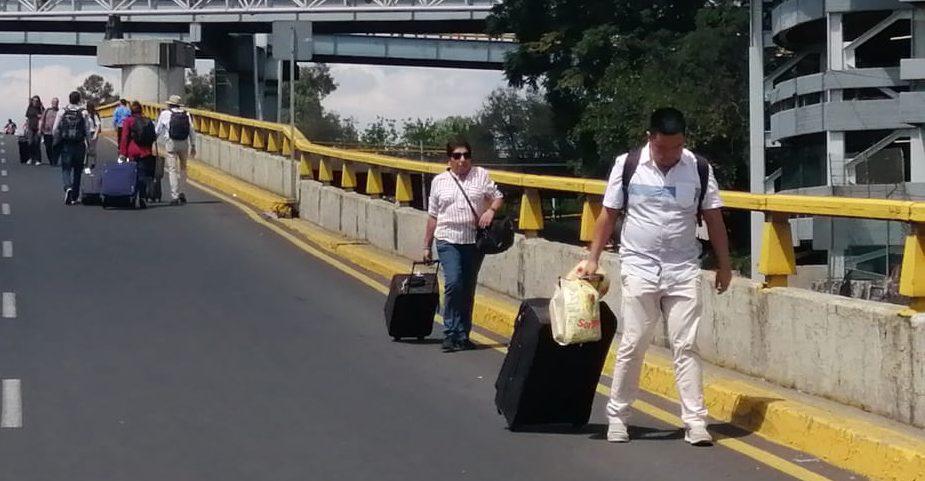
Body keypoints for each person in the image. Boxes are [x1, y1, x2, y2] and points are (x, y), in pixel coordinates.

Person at [581, 108, 731, 446]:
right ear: (650, 138)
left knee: (686, 345)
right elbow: (608, 215)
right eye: (663, 148)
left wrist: (724, 264)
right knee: (633, 343)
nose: (669, 155)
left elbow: (714, 218)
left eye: (676, 148)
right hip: (639, 266)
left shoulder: (699, 168)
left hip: (683, 268)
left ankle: (695, 421)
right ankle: (618, 417)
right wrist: (593, 258)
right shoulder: (628, 165)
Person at [422, 139, 503, 352]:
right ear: (449, 159)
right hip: (448, 239)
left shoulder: (481, 175)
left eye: (466, 155)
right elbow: (433, 216)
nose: (462, 160)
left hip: (473, 241)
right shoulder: (439, 181)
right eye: (457, 156)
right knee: (454, 283)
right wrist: (426, 246)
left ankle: (463, 334)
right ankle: (449, 332)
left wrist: (490, 211)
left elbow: (497, 197)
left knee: (467, 288)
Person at [154, 94, 197, 206]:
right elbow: (191, 130)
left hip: (171, 143)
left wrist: (153, 140)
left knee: (172, 170)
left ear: (169, 104)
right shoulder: (186, 114)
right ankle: (182, 192)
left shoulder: (165, 114)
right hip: (184, 143)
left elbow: (157, 130)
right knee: (183, 168)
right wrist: (193, 145)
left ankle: (175, 195)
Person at [52, 91, 93, 205]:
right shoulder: (84, 112)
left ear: (69, 99)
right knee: (77, 171)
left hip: (66, 144)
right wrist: (89, 145)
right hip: (79, 144)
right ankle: (74, 197)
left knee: (66, 168)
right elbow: (87, 130)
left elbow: (54, 129)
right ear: (79, 99)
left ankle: (67, 187)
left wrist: (57, 140)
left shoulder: (62, 111)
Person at [119, 100, 156, 209]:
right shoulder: (148, 121)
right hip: (146, 152)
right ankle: (143, 197)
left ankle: (133, 197)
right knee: (143, 175)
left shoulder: (128, 121)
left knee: (133, 175)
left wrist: (122, 153)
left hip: (133, 151)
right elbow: (153, 136)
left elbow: (124, 138)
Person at [39, 97, 60, 166]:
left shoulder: (59, 112)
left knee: (56, 147)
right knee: (48, 147)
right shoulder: (47, 110)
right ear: (51, 103)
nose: (55, 104)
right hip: (47, 132)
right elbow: (42, 120)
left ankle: (54, 161)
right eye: (54, 102)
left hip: (56, 133)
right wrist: (40, 129)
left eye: (56, 103)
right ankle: (51, 160)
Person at [24, 95, 43, 165]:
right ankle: (30, 158)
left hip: (38, 128)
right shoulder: (30, 108)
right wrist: (26, 127)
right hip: (30, 128)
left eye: (37, 101)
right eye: (34, 101)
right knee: (30, 143)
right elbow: (27, 117)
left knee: (37, 143)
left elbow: (43, 117)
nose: (35, 102)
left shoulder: (41, 108)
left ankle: (38, 159)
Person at [85, 101, 102, 168]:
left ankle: (93, 162)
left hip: (92, 133)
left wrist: (95, 134)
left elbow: (98, 125)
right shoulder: (85, 114)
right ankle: (85, 163)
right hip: (86, 133)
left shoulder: (94, 115)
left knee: (92, 149)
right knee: (86, 148)